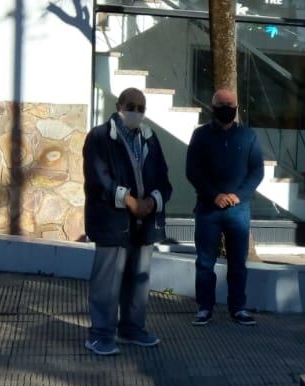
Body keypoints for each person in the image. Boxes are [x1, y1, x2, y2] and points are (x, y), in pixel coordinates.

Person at [82, 87, 173, 356]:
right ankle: (100, 334)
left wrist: (152, 202)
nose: (136, 112)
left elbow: (163, 178)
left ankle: (132, 329)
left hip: (144, 223)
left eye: (141, 108)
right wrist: (130, 201)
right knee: (107, 282)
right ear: (119, 104)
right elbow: (98, 179)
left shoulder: (150, 138)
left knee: (138, 279)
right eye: (131, 106)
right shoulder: (99, 137)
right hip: (113, 221)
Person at [186, 88, 263, 326]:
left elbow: (257, 171)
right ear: (213, 107)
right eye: (222, 103)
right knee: (205, 261)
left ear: (237, 107)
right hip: (208, 209)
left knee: (237, 262)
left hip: (238, 211)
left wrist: (239, 195)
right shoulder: (200, 136)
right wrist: (214, 195)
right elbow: (193, 171)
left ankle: (238, 307)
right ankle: (204, 307)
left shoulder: (249, 136)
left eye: (231, 103)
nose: (227, 107)